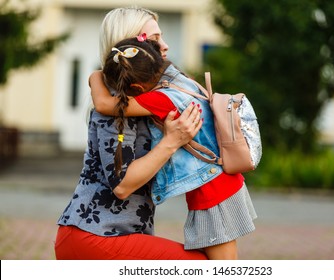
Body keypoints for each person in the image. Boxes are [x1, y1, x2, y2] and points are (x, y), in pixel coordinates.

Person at [54, 6, 207, 260]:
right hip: (94, 235)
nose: (166, 46)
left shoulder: (141, 100)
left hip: (116, 234)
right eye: (156, 39)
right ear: (129, 46)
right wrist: (171, 141)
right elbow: (122, 185)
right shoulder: (115, 106)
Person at [89, 36, 257, 260]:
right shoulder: (177, 76)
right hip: (219, 183)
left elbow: (104, 104)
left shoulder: (160, 99)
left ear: (138, 87)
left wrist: (95, 76)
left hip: (212, 190)